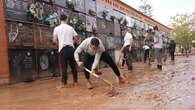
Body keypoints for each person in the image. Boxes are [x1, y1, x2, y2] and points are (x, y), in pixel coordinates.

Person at [53, 14, 78, 87]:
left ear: (59, 19)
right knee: (73, 66)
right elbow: (76, 38)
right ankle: (75, 82)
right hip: (71, 49)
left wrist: (59, 45)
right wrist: (71, 43)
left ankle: (64, 84)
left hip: (62, 49)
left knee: (64, 67)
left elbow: (54, 40)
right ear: (66, 19)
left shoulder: (56, 28)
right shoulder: (71, 28)